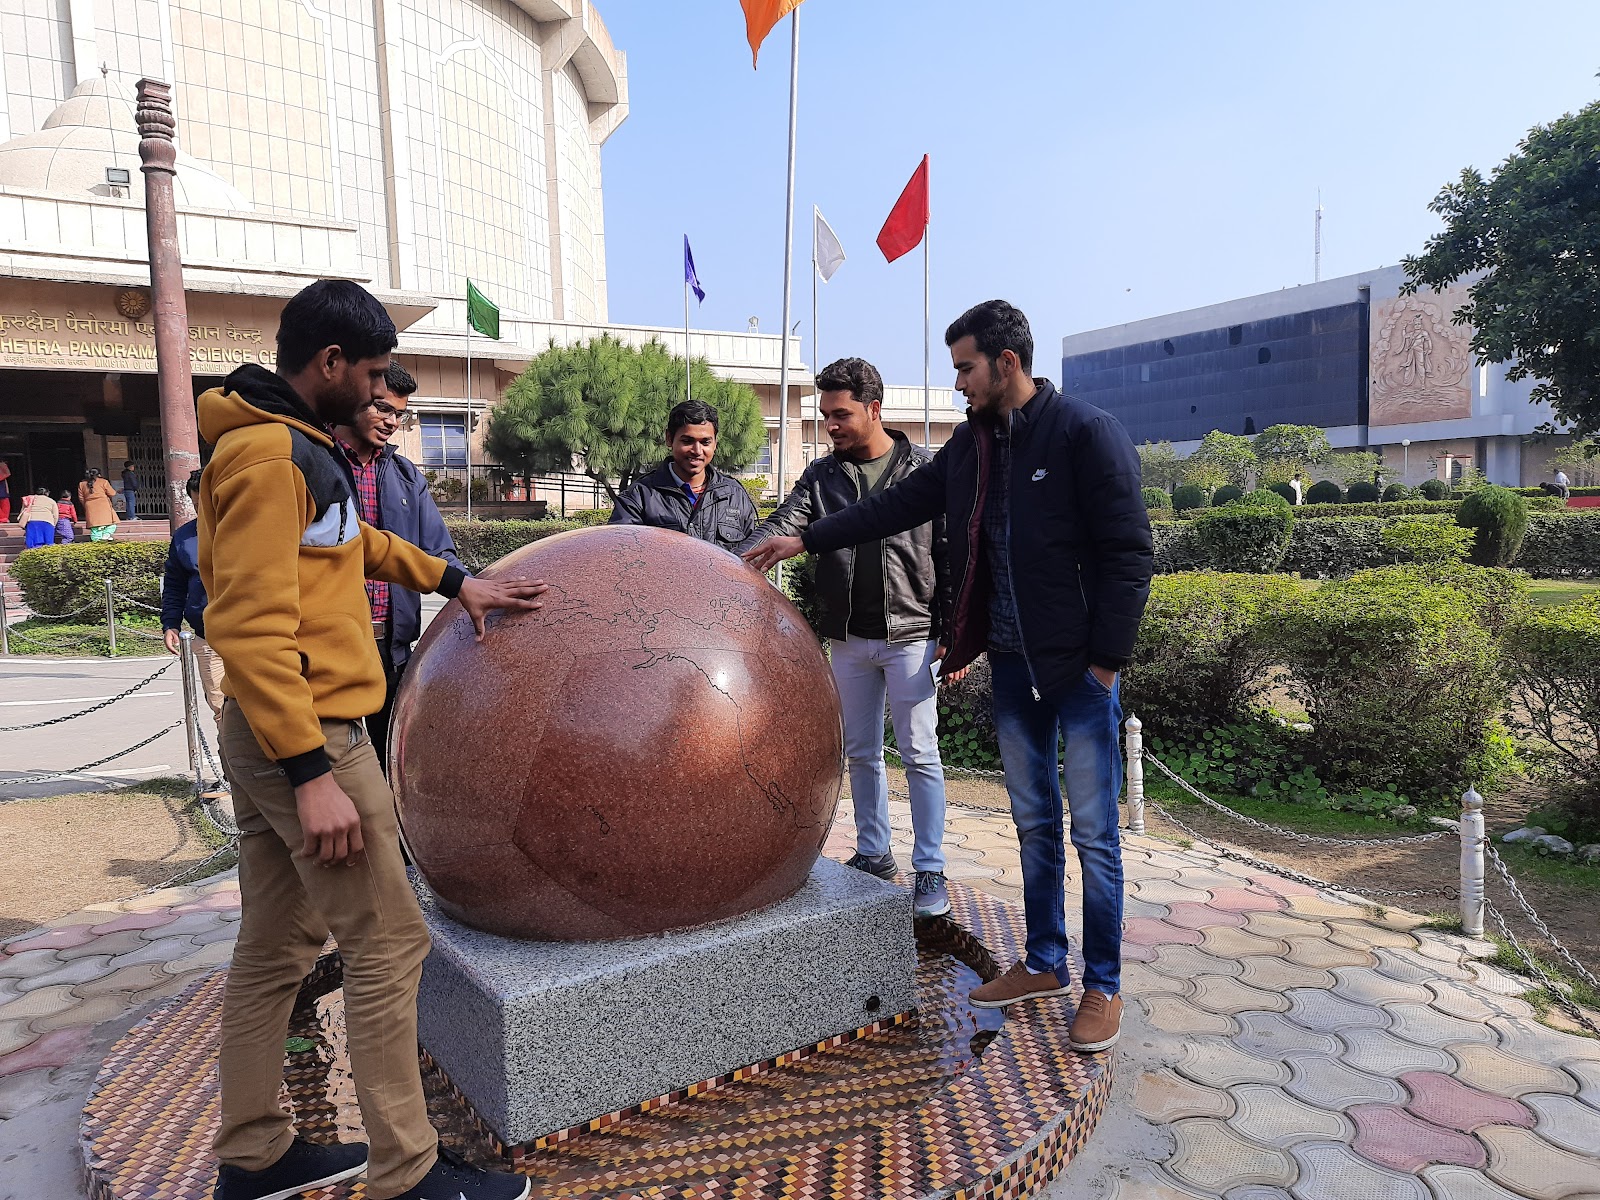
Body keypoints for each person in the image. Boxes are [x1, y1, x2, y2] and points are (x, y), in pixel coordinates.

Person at [197, 279, 545, 1200]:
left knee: (276, 948)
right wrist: (312, 773)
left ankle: (254, 1153)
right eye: (376, 374)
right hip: (308, 735)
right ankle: (408, 1174)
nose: (383, 391)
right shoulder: (271, 457)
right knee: (390, 943)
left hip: (280, 734)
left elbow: (354, 546)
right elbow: (249, 630)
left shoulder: (295, 443)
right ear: (331, 363)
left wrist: (456, 580)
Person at [745, 300, 1153, 1054]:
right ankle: (1043, 961)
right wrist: (806, 539)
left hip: (1078, 675)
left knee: (1095, 835)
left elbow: (1130, 555)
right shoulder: (971, 445)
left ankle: (1103, 985)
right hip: (1013, 668)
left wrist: (1105, 666)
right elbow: (895, 506)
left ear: (1007, 362)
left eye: (966, 368)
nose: (958, 382)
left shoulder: (1085, 433)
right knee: (1034, 825)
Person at [741, 357, 953, 919]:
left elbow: (951, 552)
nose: (831, 425)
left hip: (913, 633)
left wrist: (952, 628)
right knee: (859, 752)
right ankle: (874, 852)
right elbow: (782, 525)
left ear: (873, 408)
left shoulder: (923, 470)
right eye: (826, 415)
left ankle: (930, 869)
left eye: (841, 414)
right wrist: (726, 562)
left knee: (920, 753)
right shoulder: (822, 476)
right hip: (849, 638)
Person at [330, 361, 464, 772]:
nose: (391, 422)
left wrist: (480, 590)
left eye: (400, 415)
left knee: (391, 763)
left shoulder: (406, 476)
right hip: (330, 646)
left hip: (391, 647)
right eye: (383, 408)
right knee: (335, 768)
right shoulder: (316, 461)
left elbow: (439, 553)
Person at [609, 399, 757, 551]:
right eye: (687, 441)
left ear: (715, 444)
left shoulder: (734, 494)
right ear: (669, 439)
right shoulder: (640, 495)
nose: (697, 451)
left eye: (705, 442)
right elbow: (620, 553)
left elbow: (750, 557)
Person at [161, 469, 225, 726]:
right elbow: (175, 585)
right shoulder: (184, 538)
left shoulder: (247, 530)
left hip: (252, 636)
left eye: (209, 503)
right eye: (198, 505)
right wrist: (171, 623)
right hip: (207, 637)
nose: (204, 510)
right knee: (222, 712)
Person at [78, 467, 119, 541]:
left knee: (95, 527)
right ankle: (106, 535)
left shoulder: (82, 484)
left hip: (90, 506)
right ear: (99, 474)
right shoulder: (103, 482)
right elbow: (112, 493)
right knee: (111, 523)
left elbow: (81, 498)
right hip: (103, 505)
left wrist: (86, 505)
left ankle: (96, 541)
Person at [0, 458, 10, 522]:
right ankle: (3, 518)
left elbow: (6, 473)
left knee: (4, 501)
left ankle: (4, 518)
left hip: (2, 485)